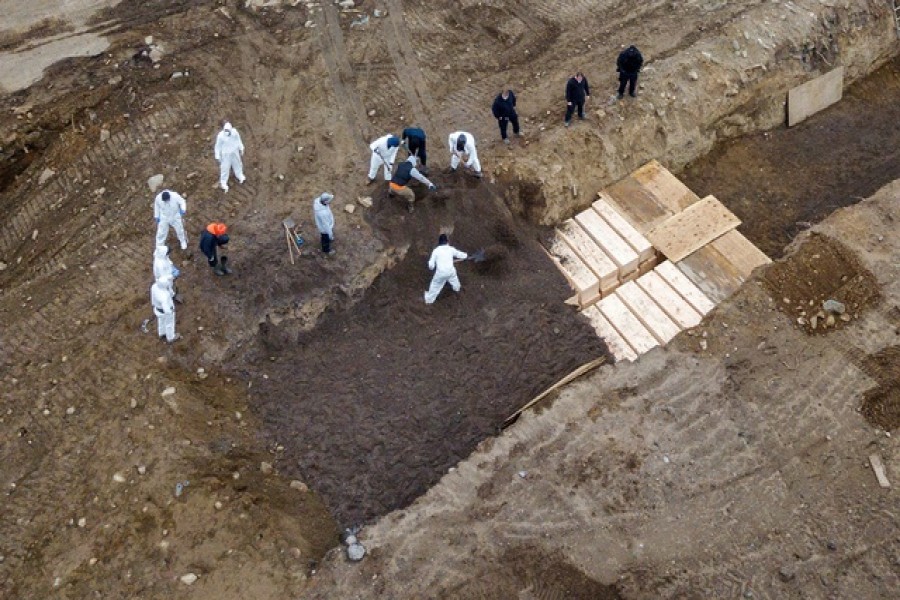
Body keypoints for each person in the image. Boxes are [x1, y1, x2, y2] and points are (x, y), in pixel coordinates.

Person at [424, 233, 468, 304]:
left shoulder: (436, 251)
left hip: (441, 273)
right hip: (451, 272)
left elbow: (431, 266)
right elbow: (460, 254)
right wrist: (466, 256)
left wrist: (431, 266)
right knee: (455, 282)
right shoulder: (451, 249)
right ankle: (458, 290)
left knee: (435, 286)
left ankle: (429, 300)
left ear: (439, 242)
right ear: (447, 241)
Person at [214, 121, 246, 192]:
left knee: (237, 164)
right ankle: (223, 182)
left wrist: (241, 148)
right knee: (225, 168)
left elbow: (238, 140)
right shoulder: (220, 136)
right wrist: (217, 156)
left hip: (234, 151)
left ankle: (240, 175)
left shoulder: (234, 133)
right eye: (226, 130)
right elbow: (218, 146)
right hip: (225, 154)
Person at [151, 274, 178, 343]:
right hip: (165, 311)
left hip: (157, 309)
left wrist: (172, 276)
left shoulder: (154, 286)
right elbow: (167, 310)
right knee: (169, 324)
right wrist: (171, 311)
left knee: (161, 321)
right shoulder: (164, 297)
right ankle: (170, 337)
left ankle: (162, 333)